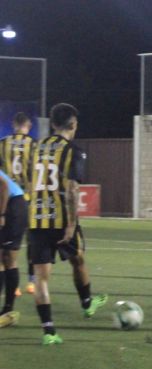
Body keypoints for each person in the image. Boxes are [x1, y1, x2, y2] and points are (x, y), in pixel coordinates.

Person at [29, 103, 107, 345]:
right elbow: (73, 188)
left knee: (41, 278)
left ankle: (49, 332)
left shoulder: (36, 147)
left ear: (52, 124)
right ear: (73, 125)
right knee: (78, 257)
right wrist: (71, 224)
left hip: (37, 219)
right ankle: (86, 302)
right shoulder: (74, 150)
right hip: (61, 220)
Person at [0, 112, 36, 296]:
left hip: (8, 199)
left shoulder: (3, 143)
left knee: (6, 245)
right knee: (32, 240)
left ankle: (11, 286)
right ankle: (31, 282)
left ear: (14, 124)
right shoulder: (33, 144)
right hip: (28, 199)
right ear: (28, 125)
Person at [0, 169, 28, 327]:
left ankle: (8, 310)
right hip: (6, 206)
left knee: (9, 258)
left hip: (14, 206)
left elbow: (3, 186)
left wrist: (2, 215)